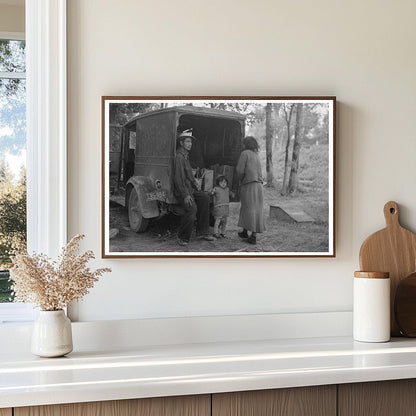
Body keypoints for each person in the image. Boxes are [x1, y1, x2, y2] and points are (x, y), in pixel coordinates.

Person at [173, 129, 216, 246]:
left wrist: (195, 184)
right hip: (182, 191)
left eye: (191, 142)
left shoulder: (186, 156)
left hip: (190, 189)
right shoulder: (179, 157)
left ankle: (202, 232)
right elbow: (178, 179)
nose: (190, 144)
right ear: (181, 143)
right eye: (187, 142)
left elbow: (189, 175)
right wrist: (185, 195)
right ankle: (182, 237)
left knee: (205, 198)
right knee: (192, 209)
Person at [236, 136, 265, 244]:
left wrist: (240, 179)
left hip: (249, 185)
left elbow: (239, 170)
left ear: (246, 144)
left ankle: (253, 237)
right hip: (259, 186)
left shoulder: (245, 153)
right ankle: (245, 231)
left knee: (248, 209)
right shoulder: (256, 155)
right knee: (255, 209)